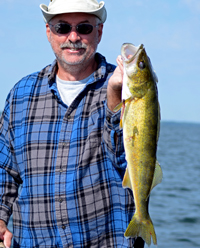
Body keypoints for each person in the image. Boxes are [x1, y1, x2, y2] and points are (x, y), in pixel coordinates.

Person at [0, 0, 145, 247]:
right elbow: (5, 169)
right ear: (49, 32)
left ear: (99, 32)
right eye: (63, 27)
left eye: (85, 28)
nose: (73, 36)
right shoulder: (20, 93)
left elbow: (130, 165)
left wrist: (115, 103)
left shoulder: (127, 91)